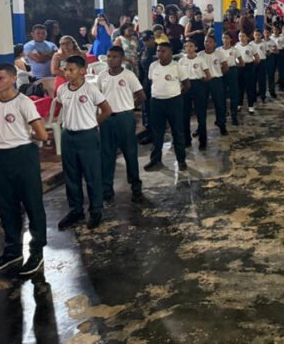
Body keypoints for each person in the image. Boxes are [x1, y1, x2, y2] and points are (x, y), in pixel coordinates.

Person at [0, 63, 49, 275]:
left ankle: (36, 251)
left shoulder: (23, 102)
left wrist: (24, 138)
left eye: (0, 78)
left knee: (32, 203)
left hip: (22, 154)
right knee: (6, 204)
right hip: (0, 157)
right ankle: (12, 250)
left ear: (12, 79)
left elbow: (42, 134)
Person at [56, 55, 113, 230]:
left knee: (92, 175)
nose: (67, 73)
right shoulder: (62, 90)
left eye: (71, 70)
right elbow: (63, 108)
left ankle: (96, 210)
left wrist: (92, 123)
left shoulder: (90, 89)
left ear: (82, 71)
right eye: (65, 69)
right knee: (71, 175)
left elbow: (107, 110)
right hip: (68, 136)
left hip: (87, 136)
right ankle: (75, 210)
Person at [97, 46, 145, 205]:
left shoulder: (128, 75)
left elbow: (141, 96)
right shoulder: (102, 76)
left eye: (115, 57)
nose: (111, 60)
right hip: (107, 119)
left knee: (130, 153)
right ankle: (106, 189)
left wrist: (129, 107)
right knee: (107, 155)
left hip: (125, 118)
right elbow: (98, 98)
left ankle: (136, 188)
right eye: (109, 56)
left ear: (122, 59)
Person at [144, 42, 189, 171]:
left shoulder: (177, 66)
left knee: (177, 131)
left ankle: (181, 160)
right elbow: (151, 82)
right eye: (158, 51)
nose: (160, 53)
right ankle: (156, 160)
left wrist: (176, 94)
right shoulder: (153, 66)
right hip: (156, 102)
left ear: (170, 53)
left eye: (163, 51)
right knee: (157, 133)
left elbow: (186, 84)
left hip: (173, 102)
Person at [179, 40, 211, 150]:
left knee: (201, 114)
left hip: (198, 85)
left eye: (191, 46)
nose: (188, 48)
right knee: (185, 115)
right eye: (186, 46)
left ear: (195, 47)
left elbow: (208, 75)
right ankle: (187, 140)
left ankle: (203, 141)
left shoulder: (200, 59)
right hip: (186, 86)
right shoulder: (181, 60)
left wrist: (203, 81)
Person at [200, 34, 229, 136]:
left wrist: (217, 74)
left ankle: (221, 124)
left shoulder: (219, 54)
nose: (207, 43)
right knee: (202, 105)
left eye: (210, 42)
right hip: (203, 82)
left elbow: (225, 67)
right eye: (205, 41)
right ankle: (201, 127)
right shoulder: (200, 55)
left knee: (219, 104)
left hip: (216, 81)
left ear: (215, 43)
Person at [220, 32, 242, 126]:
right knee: (222, 94)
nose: (225, 40)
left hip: (232, 71)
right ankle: (223, 114)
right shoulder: (218, 50)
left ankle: (234, 115)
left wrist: (234, 65)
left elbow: (242, 63)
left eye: (227, 38)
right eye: (223, 38)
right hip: (221, 72)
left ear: (231, 39)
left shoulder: (235, 50)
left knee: (234, 94)